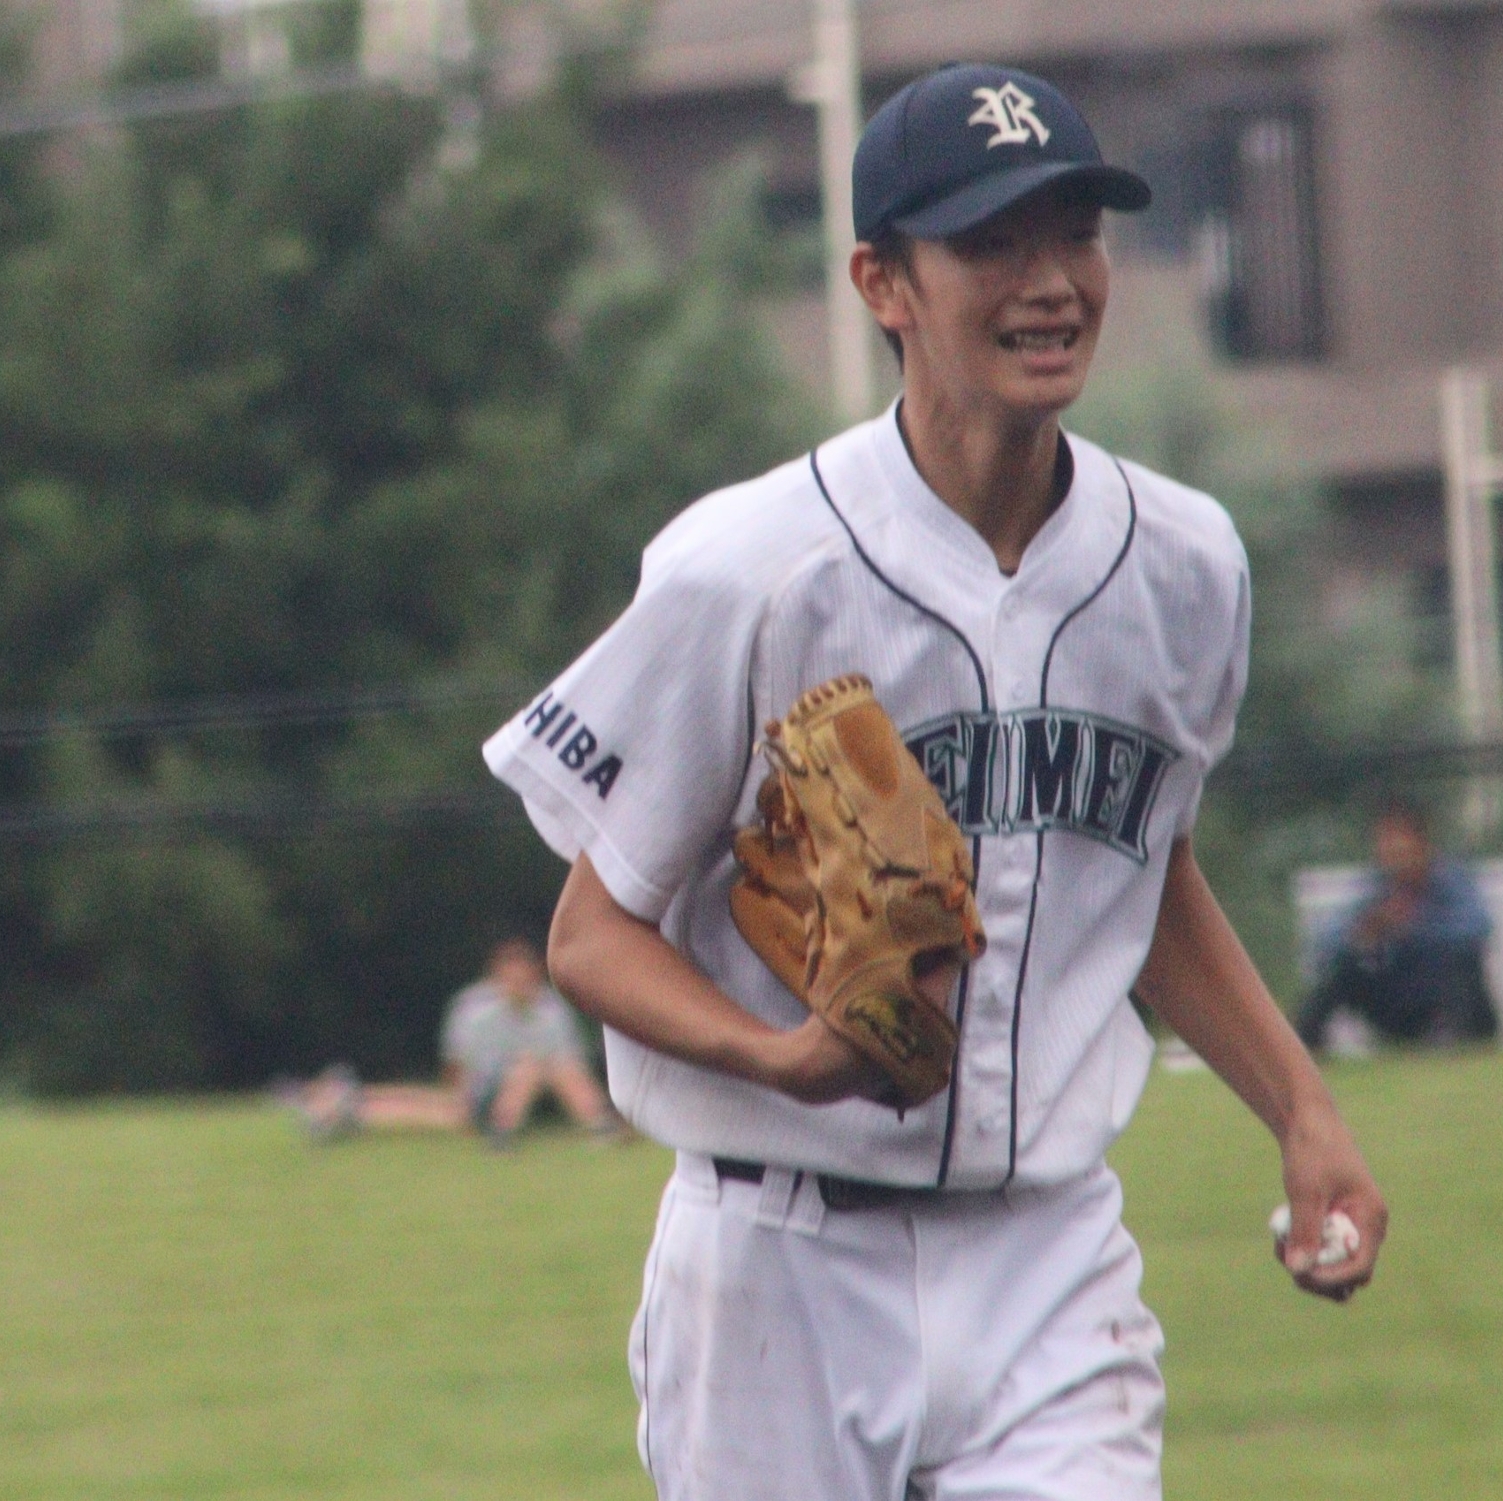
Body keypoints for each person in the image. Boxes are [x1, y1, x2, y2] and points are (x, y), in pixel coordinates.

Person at [482, 62, 1386, 1501]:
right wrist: (778, 1058)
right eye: (991, 243)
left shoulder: (1188, 564)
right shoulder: (752, 569)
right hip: (777, 1268)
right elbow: (593, 933)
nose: (1050, 281)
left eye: (1074, 231)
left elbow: (1145, 881)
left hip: (1048, 1263)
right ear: (881, 282)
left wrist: (1301, 1111)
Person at [296, 937, 622, 1144]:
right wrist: (465, 1102)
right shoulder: (473, 1010)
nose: (519, 983)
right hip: (489, 1091)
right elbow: (457, 1067)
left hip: (546, 1093)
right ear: (497, 976)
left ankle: (599, 1123)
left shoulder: (551, 1009)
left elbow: (572, 1062)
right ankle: (502, 1131)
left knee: (544, 1066)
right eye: (511, 976)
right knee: (446, 1104)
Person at [1297, 801, 1501, 1053]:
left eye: (1400, 840)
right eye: (1385, 841)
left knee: (1461, 963)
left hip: (1443, 995)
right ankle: (1303, 1044)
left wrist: (1414, 927)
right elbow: (1328, 941)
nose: (1393, 850)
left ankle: (1453, 1040)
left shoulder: (1450, 880)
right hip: (1396, 998)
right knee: (1345, 966)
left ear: (1422, 842)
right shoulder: (1376, 887)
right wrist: (1368, 930)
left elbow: (1479, 928)